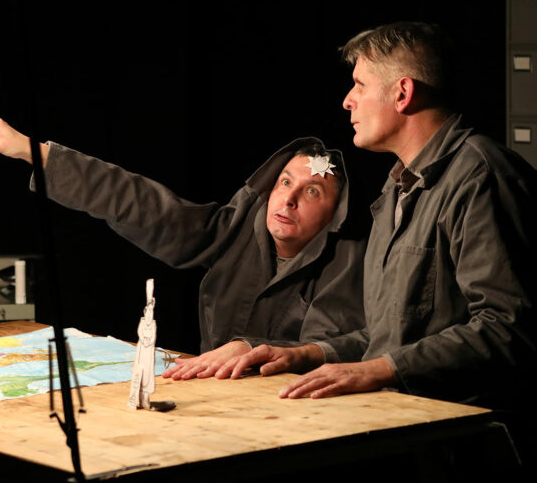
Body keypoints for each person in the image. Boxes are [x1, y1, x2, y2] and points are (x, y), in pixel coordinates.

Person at [221, 22, 537, 416]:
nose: (347, 101)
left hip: (461, 430)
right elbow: (388, 339)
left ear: (402, 93)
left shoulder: (481, 175)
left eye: (360, 85)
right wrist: (303, 355)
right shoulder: (396, 189)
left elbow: (508, 328)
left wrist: (377, 370)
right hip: (400, 418)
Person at [0, 103, 366, 380]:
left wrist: (248, 348)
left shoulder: (347, 263)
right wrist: (33, 152)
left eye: (313, 191)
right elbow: (139, 203)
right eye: (285, 182)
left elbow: (328, 347)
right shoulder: (234, 231)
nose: (290, 199)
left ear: (335, 213)